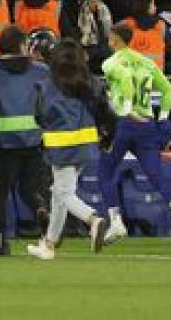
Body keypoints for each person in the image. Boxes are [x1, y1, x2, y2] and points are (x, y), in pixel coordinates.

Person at [97, 24, 171, 245]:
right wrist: (163, 118)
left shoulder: (111, 62)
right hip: (146, 124)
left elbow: (126, 79)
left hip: (122, 123)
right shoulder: (146, 62)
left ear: (114, 40)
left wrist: (126, 110)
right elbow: (167, 90)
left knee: (105, 172)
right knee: (155, 173)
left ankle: (116, 222)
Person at [26, 40, 111, 260]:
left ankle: (93, 220)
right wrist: (107, 137)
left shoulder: (45, 85)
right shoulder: (91, 83)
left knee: (63, 194)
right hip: (86, 144)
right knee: (59, 193)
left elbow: (39, 116)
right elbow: (105, 112)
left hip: (60, 145)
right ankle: (49, 244)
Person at [0, 25, 48, 256]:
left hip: (5, 143)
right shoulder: (41, 71)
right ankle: (40, 210)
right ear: (22, 45)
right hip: (35, 140)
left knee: (0, 193)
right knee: (30, 189)